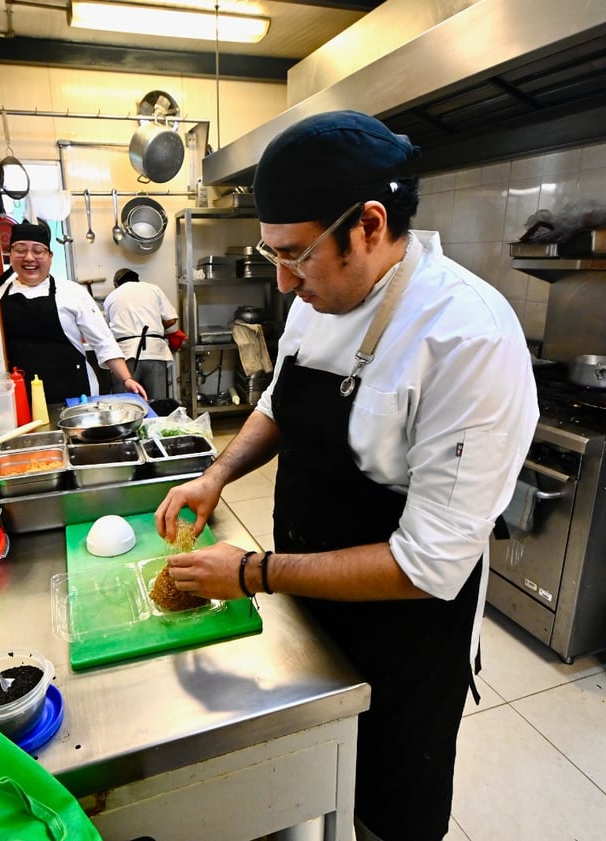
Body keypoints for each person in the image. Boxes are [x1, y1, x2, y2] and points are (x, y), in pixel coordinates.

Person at [155, 111, 539, 841]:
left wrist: (254, 571)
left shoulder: (467, 337)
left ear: (368, 224)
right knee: (311, 785)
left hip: (402, 637)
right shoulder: (319, 297)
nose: (284, 282)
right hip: (308, 601)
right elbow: (280, 403)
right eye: (272, 254)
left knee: (386, 809)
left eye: (295, 256)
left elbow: (426, 566)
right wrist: (217, 474)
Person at [0, 223, 147, 405]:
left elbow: (103, 341)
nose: (29, 258)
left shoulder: (72, 292)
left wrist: (126, 379)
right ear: (11, 254)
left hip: (75, 394)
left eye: (38, 251)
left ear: (50, 256)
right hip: (22, 397)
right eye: (21, 250)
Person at [103, 267, 181, 400]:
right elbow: (172, 319)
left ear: (116, 284)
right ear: (137, 280)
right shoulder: (153, 289)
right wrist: (155, 329)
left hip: (125, 355)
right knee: (156, 403)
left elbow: (106, 330)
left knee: (126, 404)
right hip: (154, 352)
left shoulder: (111, 297)